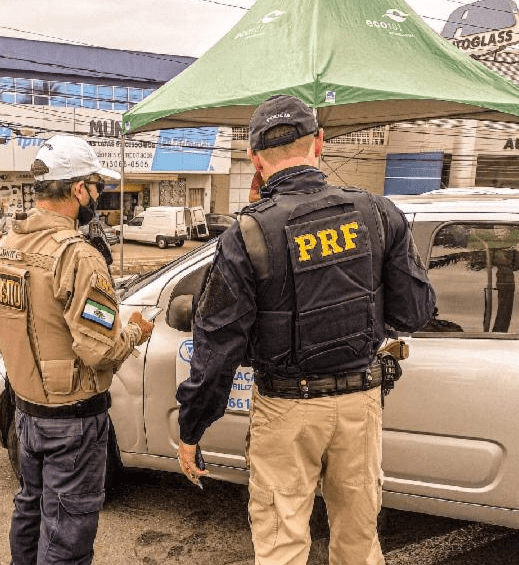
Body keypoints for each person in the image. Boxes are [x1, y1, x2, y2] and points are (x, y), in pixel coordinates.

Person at [176, 95, 435, 565]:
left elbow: (217, 348)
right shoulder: (379, 213)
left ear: (255, 158)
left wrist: (192, 429)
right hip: (360, 404)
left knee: (281, 545)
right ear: (319, 142)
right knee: (358, 543)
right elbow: (416, 313)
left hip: (285, 411)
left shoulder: (247, 235)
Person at [0, 134, 155, 565]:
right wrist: (135, 332)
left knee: (31, 508)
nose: (99, 196)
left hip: (26, 409)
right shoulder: (77, 256)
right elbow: (98, 350)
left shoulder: (5, 244)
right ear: (79, 189)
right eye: (97, 187)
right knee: (67, 535)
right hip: (72, 421)